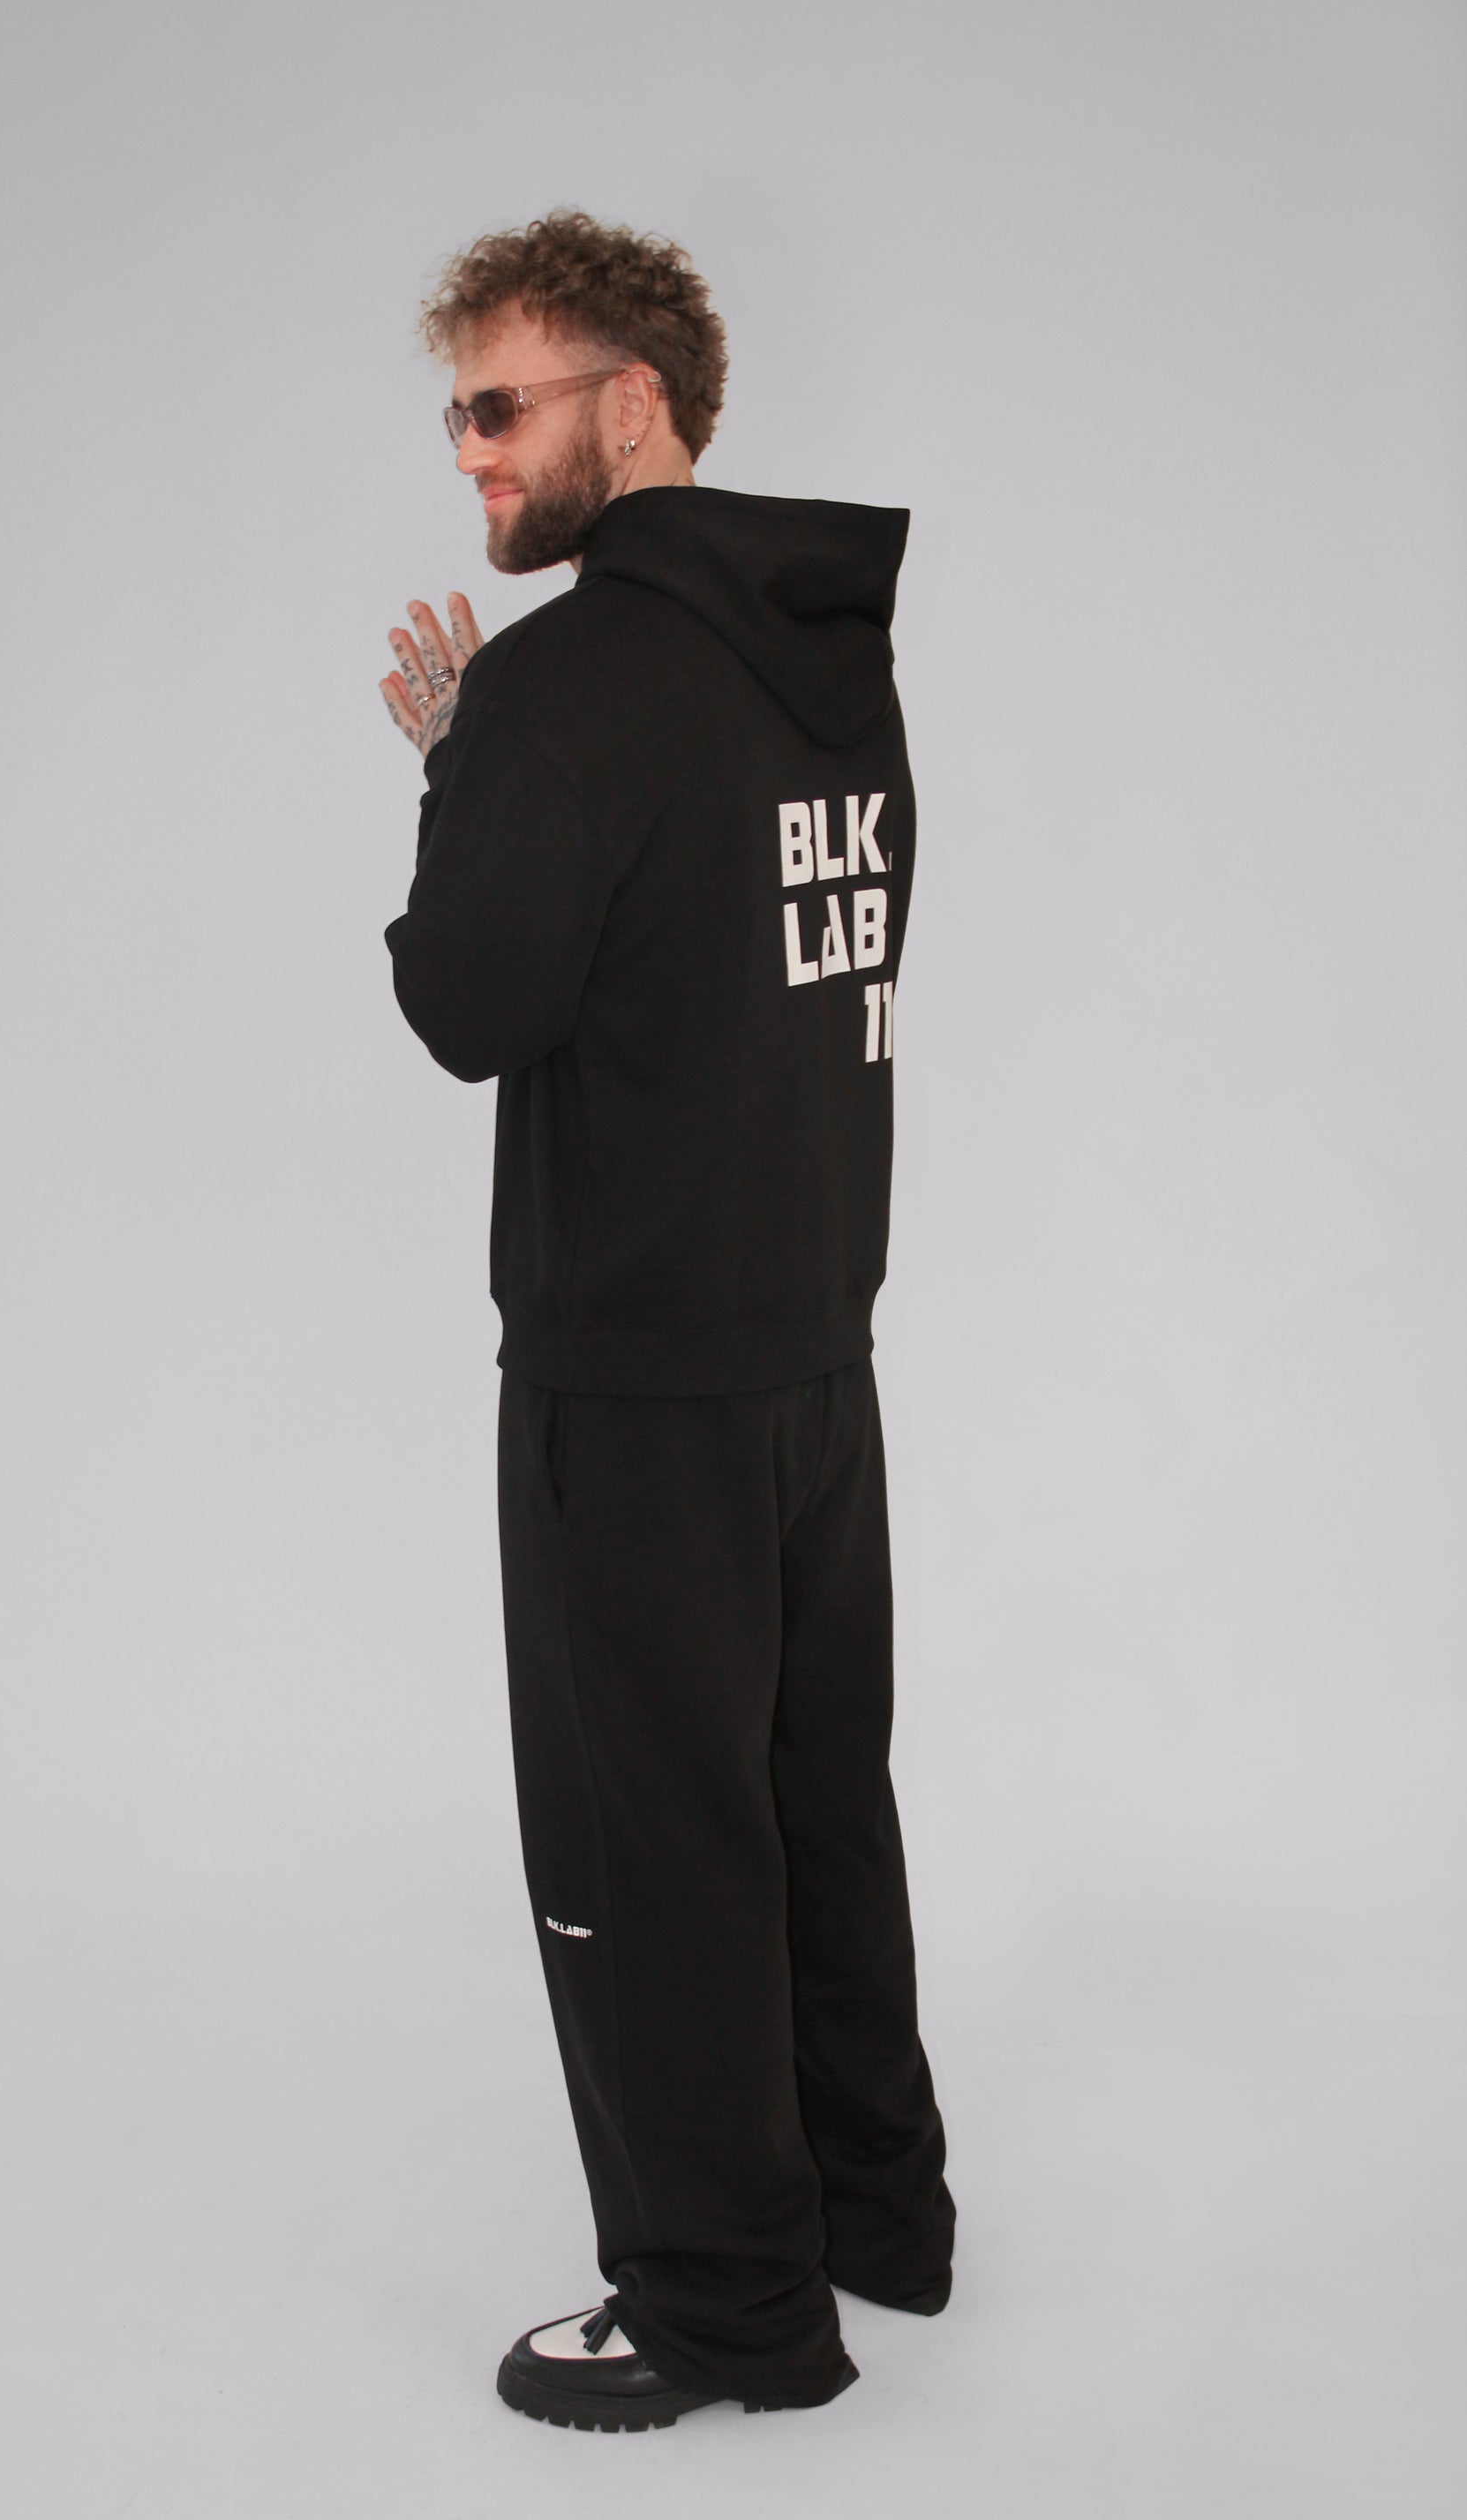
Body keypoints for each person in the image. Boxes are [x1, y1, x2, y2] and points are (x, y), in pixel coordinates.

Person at [379, 210, 954, 2433]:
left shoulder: (567, 682)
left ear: (633, 402)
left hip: (630, 1373)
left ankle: (725, 2301)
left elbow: (471, 998)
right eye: (455, 415)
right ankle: (871, 2207)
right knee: (809, 1795)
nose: (469, 453)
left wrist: (464, 762)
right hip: (812, 1349)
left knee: (655, 1837)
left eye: (497, 407)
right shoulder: (830, 658)